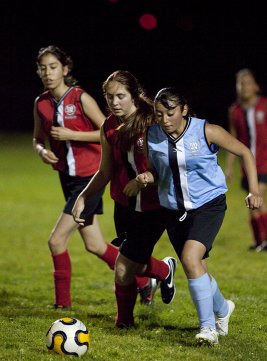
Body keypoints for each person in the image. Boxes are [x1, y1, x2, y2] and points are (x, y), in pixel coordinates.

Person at [136, 87, 263, 345]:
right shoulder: (152, 135)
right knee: (196, 267)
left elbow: (245, 153)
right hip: (174, 210)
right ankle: (223, 310)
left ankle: (208, 329)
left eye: (170, 113)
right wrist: (147, 177)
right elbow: (156, 170)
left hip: (208, 204)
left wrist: (254, 191)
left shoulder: (207, 131)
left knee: (190, 258)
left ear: (184, 110)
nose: (165, 119)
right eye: (159, 114)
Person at [72, 70, 177, 328]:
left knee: (122, 267)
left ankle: (124, 324)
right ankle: (165, 270)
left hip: (153, 208)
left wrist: (143, 179)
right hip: (124, 206)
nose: (115, 102)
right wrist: (84, 197)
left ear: (133, 95)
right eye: (110, 97)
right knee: (135, 266)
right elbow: (105, 170)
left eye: (121, 96)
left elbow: (168, 166)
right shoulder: (108, 126)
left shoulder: (152, 123)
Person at [33, 45, 119, 309]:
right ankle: (154, 275)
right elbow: (37, 138)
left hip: (90, 178)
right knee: (94, 244)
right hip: (68, 179)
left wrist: (73, 135)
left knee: (56, 240)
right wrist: (42, 150)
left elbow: (109, 131)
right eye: (43, 68)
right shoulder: (41, 103)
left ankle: (63, 305)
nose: (48, 72)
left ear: (65, 69)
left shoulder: (80, 98)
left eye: (53, 67)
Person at [226, 68, 267, 252]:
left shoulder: (264, 106)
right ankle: (259, 242)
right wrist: (229, 167)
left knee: (259, 200)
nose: (244, 87)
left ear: (256, 86)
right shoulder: (234, 111)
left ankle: (265, 241)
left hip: (264, 163)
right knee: (252, 204)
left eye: (248, 83)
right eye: (241, 83)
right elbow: (231, 139)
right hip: (246, 167)